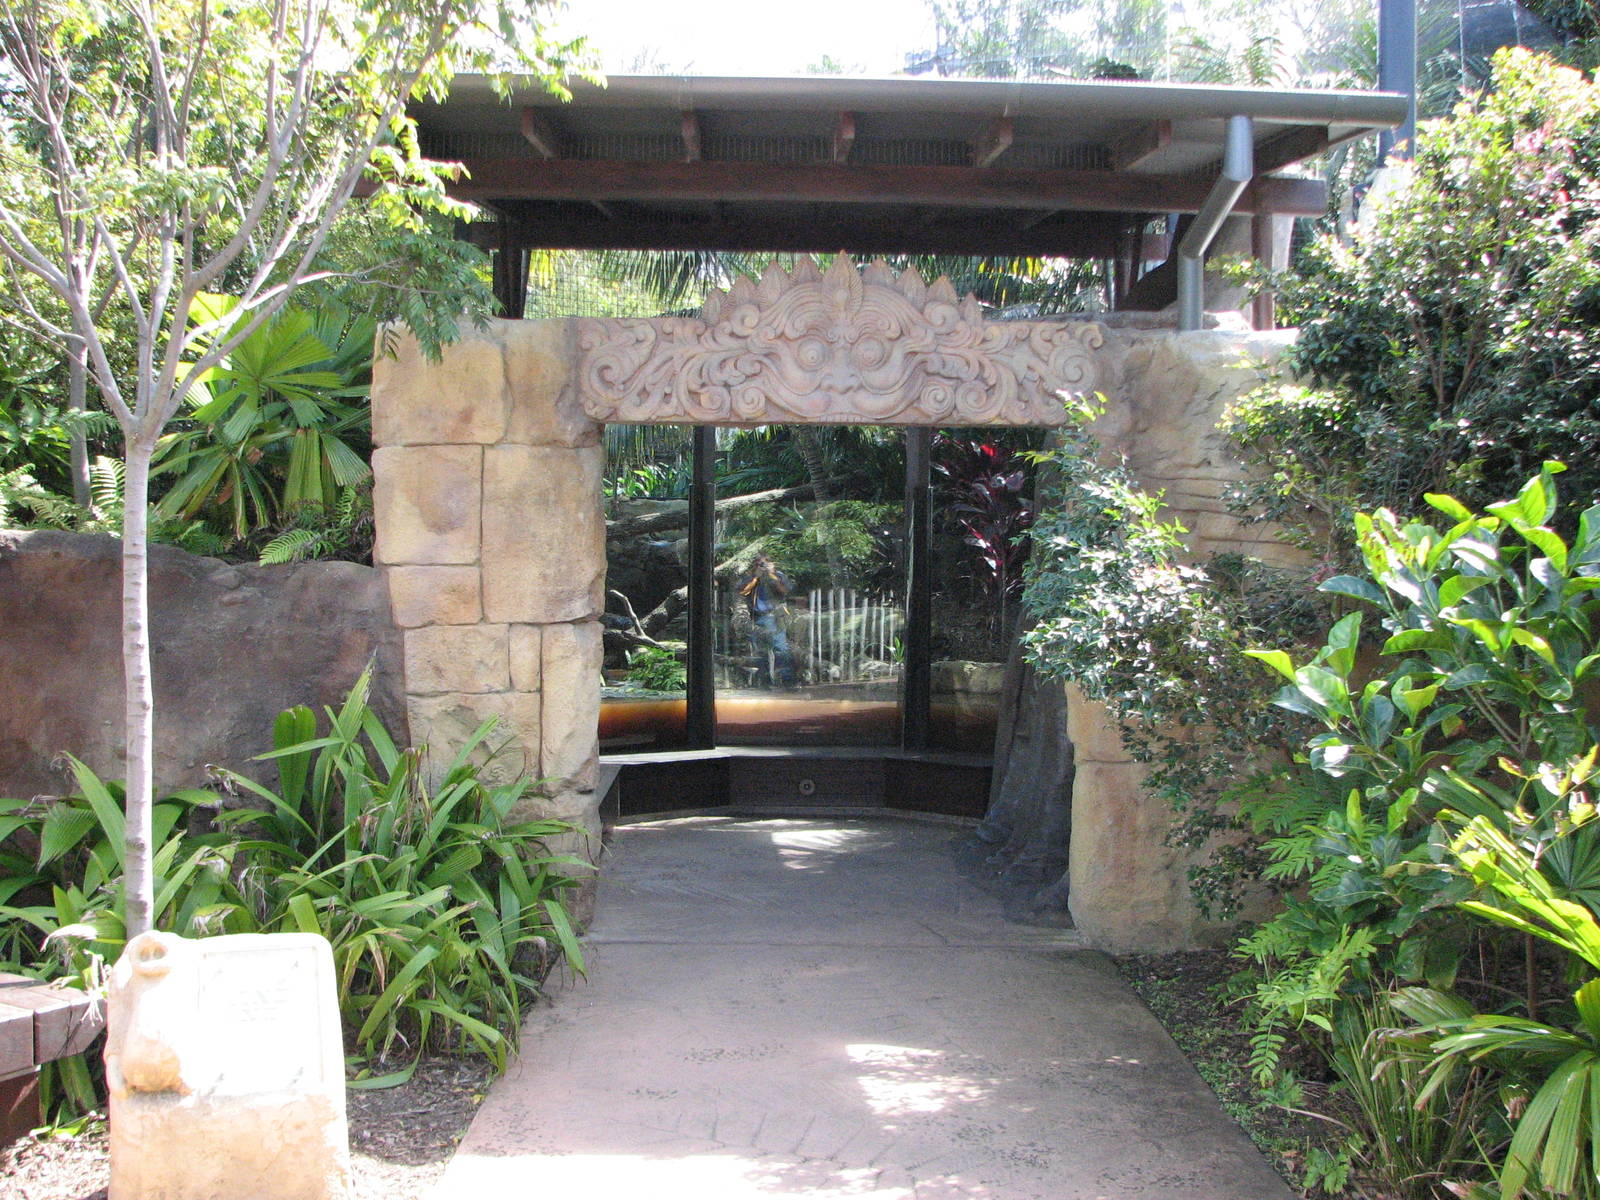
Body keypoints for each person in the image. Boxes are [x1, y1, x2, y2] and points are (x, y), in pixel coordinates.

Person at [738, 553, 797, 688]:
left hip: (774, 617)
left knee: (781, 648)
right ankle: (764, 682)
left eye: (765, 563)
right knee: (761, 652)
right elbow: (742, 591)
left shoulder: (778, 575)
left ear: (772, 564)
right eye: (759, 564)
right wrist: (755, 577)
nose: (762, 566)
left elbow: (785, 590)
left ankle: (787, 680)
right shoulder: (751, 577)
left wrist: (772, 575)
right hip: (756, 618)